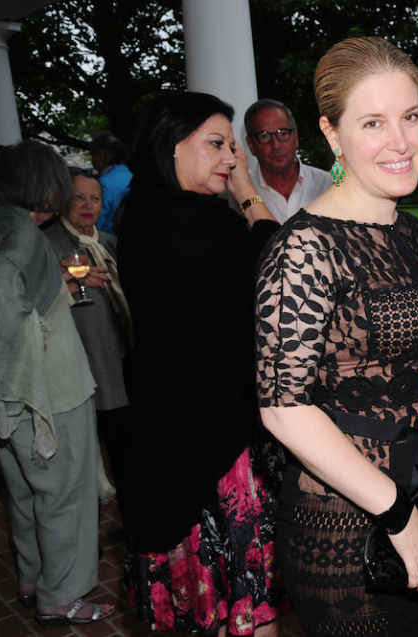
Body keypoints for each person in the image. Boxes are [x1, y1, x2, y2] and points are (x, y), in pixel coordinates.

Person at [256, 37, 418, 637]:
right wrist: (397, 514)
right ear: (333, 134)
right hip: (348, 530)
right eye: (373, 123)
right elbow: (284, 409)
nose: (401, 141)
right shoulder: (305, 249)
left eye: (410, 117)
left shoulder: (408, 231)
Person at [116, 92, 288, 636]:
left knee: (207, 605)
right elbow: (283, 266)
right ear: (172, 145)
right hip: (212, 444)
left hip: (165, 432)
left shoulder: (142, 211)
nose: (232, 159)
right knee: (248, 604)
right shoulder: (193, 222)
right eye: (217, 144)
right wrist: (248, 193)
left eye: (233, 148)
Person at [0, 141, 113, 628]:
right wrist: (32, 341)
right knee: (64, 497)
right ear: (48, 187)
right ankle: (61, 597)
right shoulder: (23, 233)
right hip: (49, 396)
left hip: (8, 395)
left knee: (26, 494)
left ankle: (33, 578)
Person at [41, 167, 133, 522]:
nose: (87, 205)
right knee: (80, 462)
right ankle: (86, 535)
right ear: (63, 199)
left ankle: (133, 526)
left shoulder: (108, 242)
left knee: (125, 453)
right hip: (76, 370)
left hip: (120, 361)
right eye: (78, 197)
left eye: (95, 198)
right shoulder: (49, 243)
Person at [234, 98, 332, 224]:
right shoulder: (238, 196)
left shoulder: (328, 185)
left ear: (296, 138)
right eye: (264, 136)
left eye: (283, 133)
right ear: (251, 145)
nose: (276, 145)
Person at [90, 132, 133, 234]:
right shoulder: (133, 178)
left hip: (106, 241)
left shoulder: (103, 184)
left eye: (92, 155)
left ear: (100, 156)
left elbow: (94, 224)